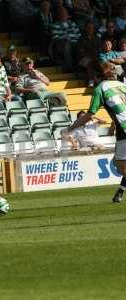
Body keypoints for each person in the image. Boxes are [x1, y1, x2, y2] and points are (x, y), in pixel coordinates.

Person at [65, 62, 126, 203]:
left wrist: (71, 128)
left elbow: (89, 115)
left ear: (97, 76)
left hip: (124, 129)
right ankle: (120, 192)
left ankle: (120, 192)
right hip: (122, 128)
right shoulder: (122, 85)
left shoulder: (100, 89)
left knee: (118, 165)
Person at [50, 7, 81, 72]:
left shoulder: (72, 23)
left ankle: (80, 67)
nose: (63, 15)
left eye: (65, 13)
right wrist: (66, 39)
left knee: (81, 46)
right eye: (61, 13)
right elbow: (55, 38)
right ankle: (69, 67)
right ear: (58, 15)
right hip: (62, 44)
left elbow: (79, 35)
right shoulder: (55, 25)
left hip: (75, 43)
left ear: (67, 15)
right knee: (67, 44)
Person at [77, 21, 100, 87]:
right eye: (88, 28)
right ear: (85, 28)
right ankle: (91, 81)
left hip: (96, 57)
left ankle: (99, 80)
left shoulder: (97, 38)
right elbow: (81, 52)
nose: (90, 29)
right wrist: (91, 55)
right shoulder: (81, 39)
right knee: (90, 63)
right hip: (83, 59)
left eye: (91, 28)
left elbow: (100, 50)